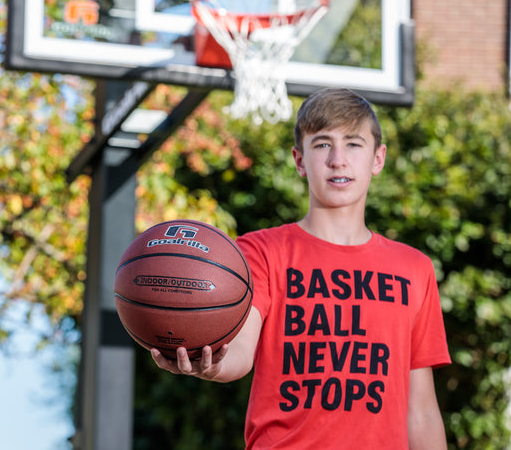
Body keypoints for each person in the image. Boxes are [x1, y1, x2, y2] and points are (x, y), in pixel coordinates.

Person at [151, 88, 450, 449]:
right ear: (299, 160)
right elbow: (241, 350)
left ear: (378, 158)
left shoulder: (413, 269)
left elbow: (421, 410)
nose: (338, 159)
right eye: (322, 144)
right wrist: (211, 363)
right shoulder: (260, 251)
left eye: (354, 144)